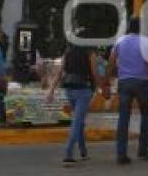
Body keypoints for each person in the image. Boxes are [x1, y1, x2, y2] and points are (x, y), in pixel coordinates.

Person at [46, 35, 107, 166]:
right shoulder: (90, 53)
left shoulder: (68, 53)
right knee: (77, 121)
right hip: (84, 90)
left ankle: (83, 151)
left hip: (69, 89)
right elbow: (95, 73)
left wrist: (51, 91)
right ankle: (68, 153)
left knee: (79, 120)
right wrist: (102, 88)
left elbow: (59, 73)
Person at [108, 17, 148, 164]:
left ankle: (121, 153)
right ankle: (142, 150)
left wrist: (106, 80)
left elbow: (111, 62)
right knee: (146, 116)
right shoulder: (146, 42)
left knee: (123, 117)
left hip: (124, 83)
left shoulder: (120, 41)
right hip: (142, 82)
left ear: (129, 28)